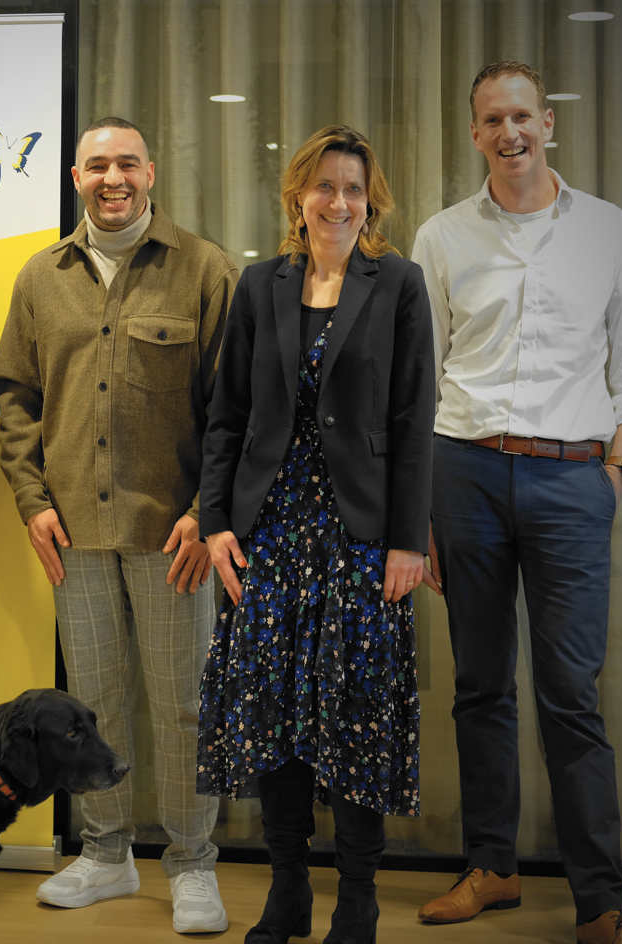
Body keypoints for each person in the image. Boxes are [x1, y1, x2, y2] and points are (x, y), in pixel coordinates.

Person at [411, 62, 622, 944]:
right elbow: (420, 381)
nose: (508, 131)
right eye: (491, 119)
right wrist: (422, 513)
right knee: (479, 688)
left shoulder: (605, 229)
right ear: (474, 133)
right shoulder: (440, 236)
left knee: (569, 695)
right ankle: (493, 870)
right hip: (464, 474)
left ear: (547, 124)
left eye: (521, 115)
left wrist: (614, 472)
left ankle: (600, 901)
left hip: (571, 479)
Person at [0, 117, 237, 934]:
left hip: (176, 540)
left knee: (182, 708)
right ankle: (105, 854)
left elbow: (233, 409)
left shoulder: (203, 269)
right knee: (87, 706)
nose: (112, 177)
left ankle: (192, 864)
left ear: (151, 172)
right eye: (97, 165)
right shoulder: (39, 277)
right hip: (75, 537)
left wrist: (208, 511)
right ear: (75, 176)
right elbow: (14, 399)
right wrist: (31, 499)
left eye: (126, 162)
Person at [197, 125, 434, 944]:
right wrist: (218, 523)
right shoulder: (259, 284)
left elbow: (414, 417)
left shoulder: (396, 282)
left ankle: (358, 898)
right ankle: (286, 891)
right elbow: (225, 417)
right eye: (324, 186)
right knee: (275, 719)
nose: (339, 202)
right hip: (269, 537)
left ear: (370, 202)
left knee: (358, 716)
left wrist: (409, 538)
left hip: (362, 537)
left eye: (354, 190)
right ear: (297, 196)